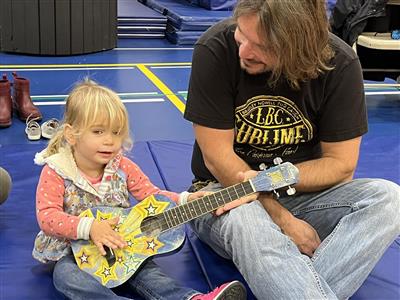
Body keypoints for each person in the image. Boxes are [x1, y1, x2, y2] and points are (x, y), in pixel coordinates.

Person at [184, 1, 400, 299]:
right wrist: (282, 219)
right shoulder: (215, 49)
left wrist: (269, 187)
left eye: (258, 45)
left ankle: (293, 282)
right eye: (241, 36)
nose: (243, 51)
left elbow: (340, 166)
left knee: (389, 199)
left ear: (297, 46)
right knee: (246, 216)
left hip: (304, 198)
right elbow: (216, 157)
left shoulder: (341, 63)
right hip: (223, 194)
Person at [31, 80, 247, 300]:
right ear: (71, 134)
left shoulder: (122, 166)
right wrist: (91, 227)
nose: (110, 141)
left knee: (149, 274)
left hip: (122, 244)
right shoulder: (57, 170)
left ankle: (189, 298)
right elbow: (47, 216)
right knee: (67, 277)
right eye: (98, 131)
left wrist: (186, 199)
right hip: (75, 252)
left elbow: (151, 196)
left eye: (116, 133)